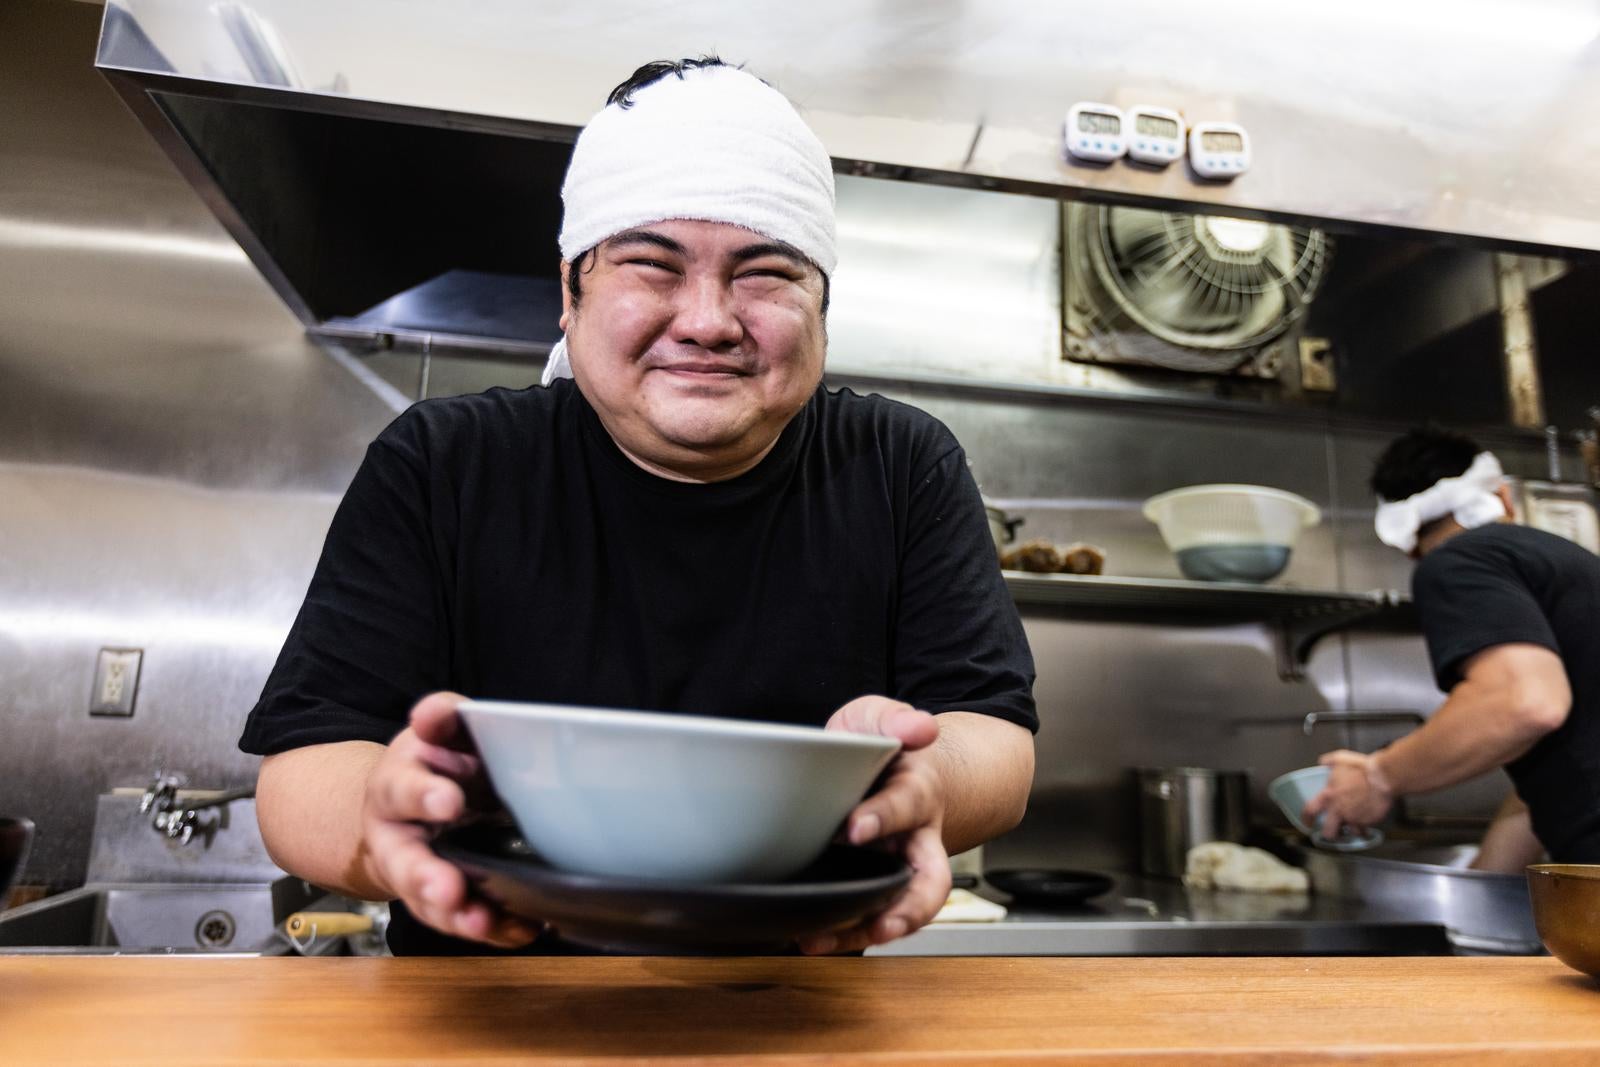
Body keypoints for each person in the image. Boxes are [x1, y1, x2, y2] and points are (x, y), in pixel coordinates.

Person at [238, 57, 1038, 955]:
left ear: (823, 305)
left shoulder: (900, 465)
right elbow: (304, 774)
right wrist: (391, 816)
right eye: (652, 265)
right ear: (569, 292)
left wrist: (923, 778)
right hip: (487, 1013)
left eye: (765, 272)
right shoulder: (446, 463)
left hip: (801, 1010)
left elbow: (991, 739)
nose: (707, 320)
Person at [1305, 427, 1599, 869]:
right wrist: (1481, 891)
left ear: (1407, 545)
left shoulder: (1460, 559)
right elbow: (1550, 779)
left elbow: (1524, 705)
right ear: (1503, 498)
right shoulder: (1568, 561)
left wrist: (1379, 777)